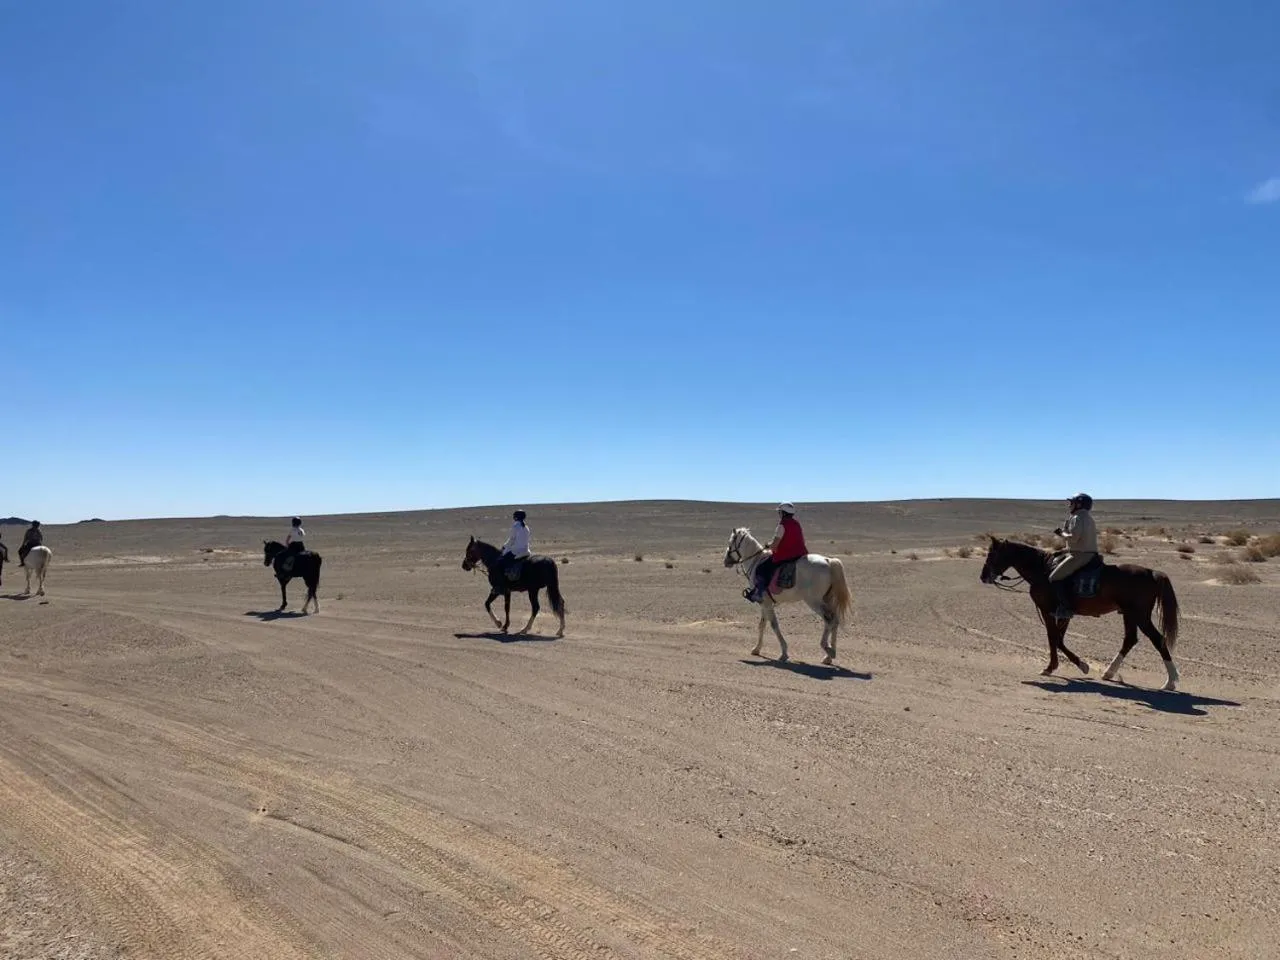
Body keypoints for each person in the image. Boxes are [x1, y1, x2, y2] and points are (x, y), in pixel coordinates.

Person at [1048, 493, 1099, 621]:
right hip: (1085, 552)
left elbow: (1074, 538)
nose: (1069, 505)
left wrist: (1062, 533)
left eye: (1072, 503)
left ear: (1079, 504)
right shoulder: (1087, 517)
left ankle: (1066, 608)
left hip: (1080, 555)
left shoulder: (1077, 517)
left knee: (1054, 577)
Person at [745, 503, 809, 603]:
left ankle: (758, 594)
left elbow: (775, 545)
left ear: (783, 513)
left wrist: (768, 545)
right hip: (801, 554)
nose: (779, 514)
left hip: (786, 556)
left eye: (779, 512)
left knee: (762, 568)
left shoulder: (781, 526)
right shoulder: (796, 523)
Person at [500, 510, 531, 579]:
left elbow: (512, 539)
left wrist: (504, 547)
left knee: (502, 560)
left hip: (517, 551)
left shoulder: (516, 526)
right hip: (526, 550)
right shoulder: (526, 527)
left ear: (516, 517)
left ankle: (506, 577)